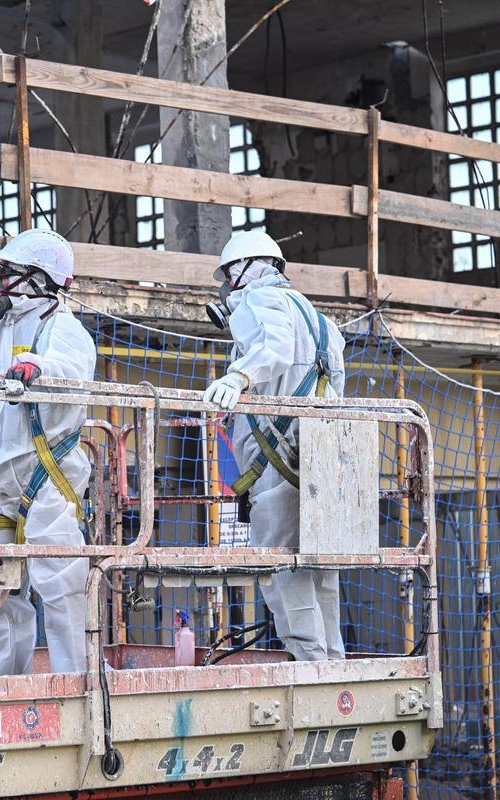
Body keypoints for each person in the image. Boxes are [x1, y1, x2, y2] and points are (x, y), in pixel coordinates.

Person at [202, 231, 347, 662]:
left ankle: (311, 666)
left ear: (246, 269)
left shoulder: (255, 301)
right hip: (320, 462)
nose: (227, 286)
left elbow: (274, 348)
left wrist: (238, 376)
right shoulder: (321, 321)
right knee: (321, 568)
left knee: (280, 568)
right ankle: (333, 665)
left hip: (276, 463)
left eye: (229, 275)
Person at [0, 228, 97, 675]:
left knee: (60, 584)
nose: (1, 281)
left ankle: (73, 678)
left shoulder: (62, 327)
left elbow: (73, 370)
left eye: (12, 273)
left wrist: (36, 366)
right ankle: (1, 677)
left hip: (45, 477)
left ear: (40, 280)